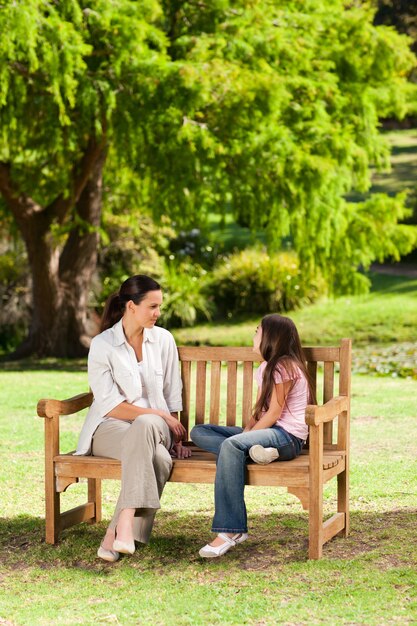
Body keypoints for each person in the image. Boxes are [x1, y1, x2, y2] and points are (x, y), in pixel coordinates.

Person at [75, 274, 191, 562]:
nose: (157, 313)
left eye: (159, 306)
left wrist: (175, 434)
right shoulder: (103, 345)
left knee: (149, 425)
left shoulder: (164, 339)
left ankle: (123, 524)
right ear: (131, 306)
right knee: (159, 459)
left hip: (158, 429)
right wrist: (159, 414)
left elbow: (172, 391)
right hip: (109, 429)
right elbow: (110, 405)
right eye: (152, 306)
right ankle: (116, 535)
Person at [190, 313, 314, 558]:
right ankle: (258, 454)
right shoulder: (267, 367)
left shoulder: (285, 365)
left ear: (271, 337)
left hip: (288, 437)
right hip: (269, 435)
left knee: (231, 447)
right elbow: (262, 410)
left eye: (258, 330)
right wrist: (248, 431)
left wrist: (245, 437)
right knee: (199, 432)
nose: (254, 333)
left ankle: (230, 530)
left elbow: (276, 413)